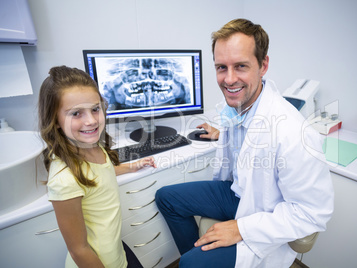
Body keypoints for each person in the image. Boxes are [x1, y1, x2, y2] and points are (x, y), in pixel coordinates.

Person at [155, 18, 334, 267]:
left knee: (190, 264)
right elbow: (248, 137)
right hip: (239, 193)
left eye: (240, 66)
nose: (228, 79)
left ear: (263, 65)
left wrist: (242, 229)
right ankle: (199, 256)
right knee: (167, 198)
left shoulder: (293, 133)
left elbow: (311, 214)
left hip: (267, 214)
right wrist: (222, 132)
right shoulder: (241, 106)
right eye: (221, 67)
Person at [38, 66, 156, 268]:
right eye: (76, 113)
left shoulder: (92, 146)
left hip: (115, 249)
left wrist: (131, 167)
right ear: (54, 120)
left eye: (95, 109)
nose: (91, 120)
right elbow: (79, 250)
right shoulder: (64, 179)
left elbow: (101, 174)